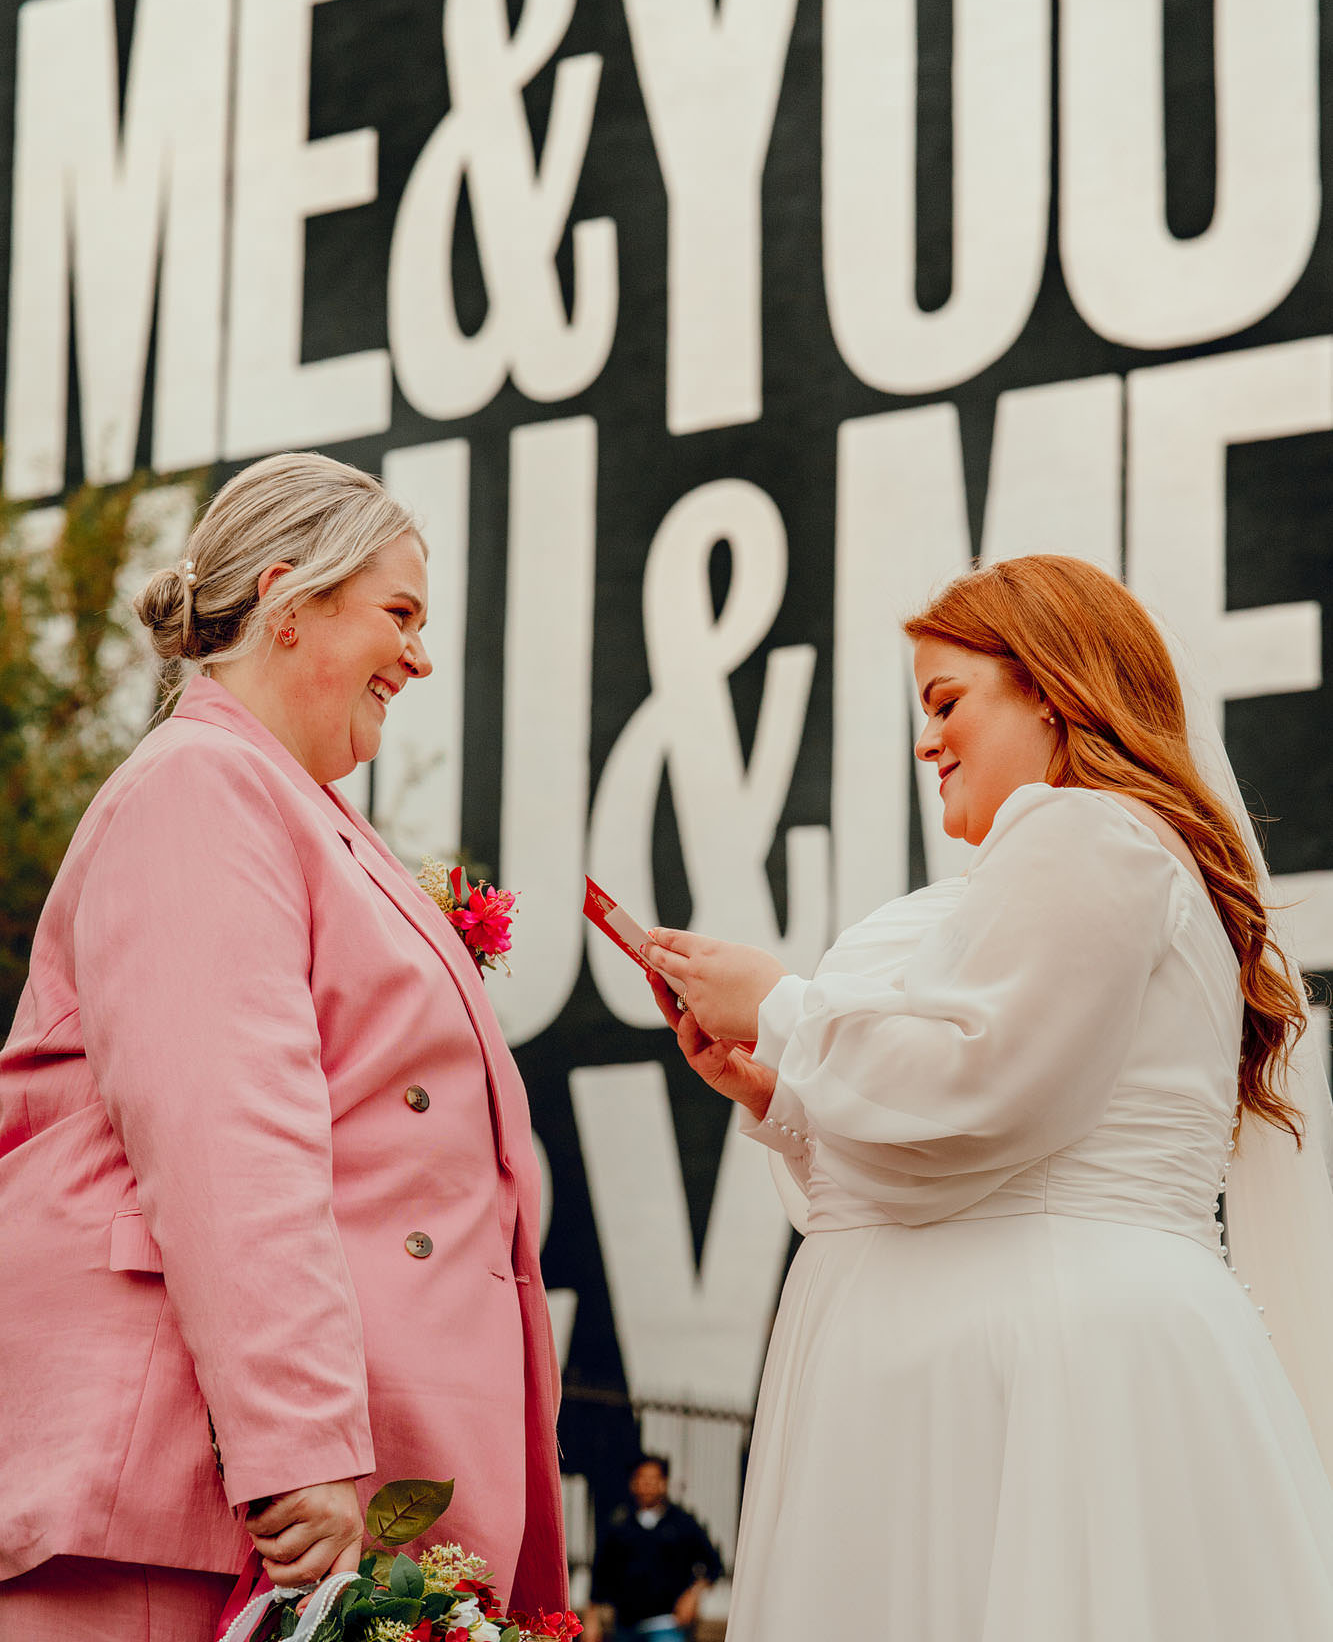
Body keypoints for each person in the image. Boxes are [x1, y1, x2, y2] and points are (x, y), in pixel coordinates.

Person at [642, 554, 1333, 1640]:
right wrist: (783, 1093)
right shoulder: (1080, 859)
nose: (926, 741)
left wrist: (780, 1006)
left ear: (1053, 692)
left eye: (946, 701)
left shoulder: (1086, 832)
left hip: (1040, 1373)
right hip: (1024, 1357)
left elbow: (990, 1082)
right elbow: (979, 1138)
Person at [0, 452, 565, 1641]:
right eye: (399, 612)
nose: (420, 655)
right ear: (288, 597)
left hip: (245, 1497)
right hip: (182, 1503)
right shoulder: (202, 783)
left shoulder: (278, 798)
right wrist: (299, 1441)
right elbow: (226, 1133)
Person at [585, 1456, 720, 1642]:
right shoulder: (619, 1523)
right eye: (641, 1478)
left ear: (664, 1483)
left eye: (652, 1479)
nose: (646, 1485)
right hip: (625, 1626)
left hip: (668, 1625)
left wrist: (693, 1594)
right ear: (632, 1483)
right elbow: (600, 1572)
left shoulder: (682, 1523)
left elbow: (713, 1564)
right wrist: (592, 1618)